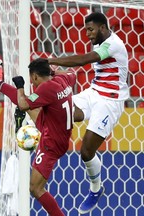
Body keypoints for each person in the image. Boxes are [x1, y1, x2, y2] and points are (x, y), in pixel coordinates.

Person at [48, 12, 129, 214]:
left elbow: (84, 60)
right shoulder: (99, 41)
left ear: (103, 27)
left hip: (110, 101)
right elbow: (89, 67)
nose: (87, 34)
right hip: (94, 92)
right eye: (85, 30)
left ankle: (96, 188)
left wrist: (50, 60)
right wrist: (58, 72)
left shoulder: (113, 44)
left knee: (86, 152)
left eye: (90, 29)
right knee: (59, 110)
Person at [0, 58, 76, 216]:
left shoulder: (46, 89)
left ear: (35, 76)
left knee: (35, 188)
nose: (32, 82)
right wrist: (53, 71)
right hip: (57, 129)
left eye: (31, 79)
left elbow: (22, 105)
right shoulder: (63, 79)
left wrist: (20, 86)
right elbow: (73, 73)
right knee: (31, 106)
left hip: (51, 143)